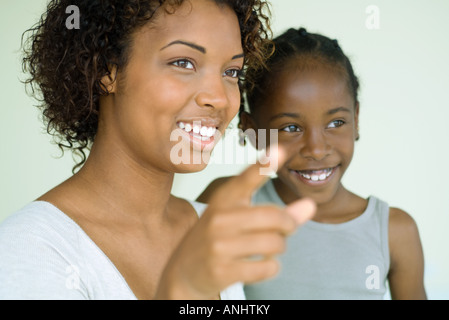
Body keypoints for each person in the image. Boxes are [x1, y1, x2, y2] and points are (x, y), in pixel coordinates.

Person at [0, 1, 317, 300]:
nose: (220, 99)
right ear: (106, 70)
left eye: (231, 72)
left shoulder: (211, 228)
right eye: (183, 63)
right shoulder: (31, 248)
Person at [197, 27, 427, 299]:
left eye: (336, 123)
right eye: (291, 127)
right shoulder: (229, 203)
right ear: (252, 131)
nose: (317, 149)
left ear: (356, 118)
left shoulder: (394, 231)